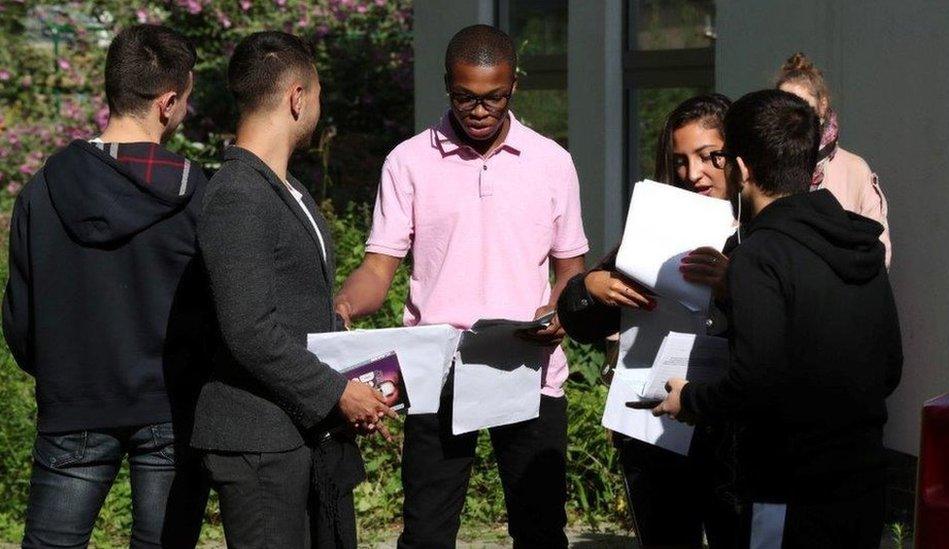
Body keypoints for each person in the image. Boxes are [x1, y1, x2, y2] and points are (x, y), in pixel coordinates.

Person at [334, 24, 589, 549]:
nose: (479, 110)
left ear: (513, 85)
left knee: (540, 531)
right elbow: (378, 269)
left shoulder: (552, 163)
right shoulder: (407, 161)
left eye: (493, 98)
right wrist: (343, 304)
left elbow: (571, 270)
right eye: (465, 97)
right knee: (427, 531)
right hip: (438, 369)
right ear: (447, 85)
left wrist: (560, 310)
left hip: (529, 369)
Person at [652, 89, 903, 548]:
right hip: (863, 483)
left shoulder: (760, 256)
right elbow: (889, 367)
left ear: (742, 168)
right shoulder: (860, 242)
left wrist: (690, 400)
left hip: (787, 490)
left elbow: (755, 380)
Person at [2, 24, 210, 548]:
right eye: (185, 98)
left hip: (74, 403)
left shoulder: (41, 189)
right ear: (167, 102)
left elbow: (20, 319)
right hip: (170, 407)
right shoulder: (197, 193)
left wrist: (61, 370)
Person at [190, 31, 395, 548]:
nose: (319, 108)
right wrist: (337, 392)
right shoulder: (237, 193)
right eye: (319, 95)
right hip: (260, 441)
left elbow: (294, 308)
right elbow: (250, 331)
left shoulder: (288, 188)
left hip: (303, 431)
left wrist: (353, 373)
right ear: (297, 97)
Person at [558, 94, 739, 549]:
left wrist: (734, 285)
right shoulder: (657, 227)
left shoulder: (760, 231)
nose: (692, 174)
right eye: (679, 160)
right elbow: (580, 322)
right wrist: (591, 287)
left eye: (708, 157)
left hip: (729, 436)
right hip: (652, 429)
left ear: (737, 155)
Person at [776, 52, 892, 266]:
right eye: (784, 109)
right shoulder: (766, 167)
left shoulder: (854, 169)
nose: (793, 119)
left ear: (822, 106)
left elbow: (879, 251)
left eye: (802, 108)